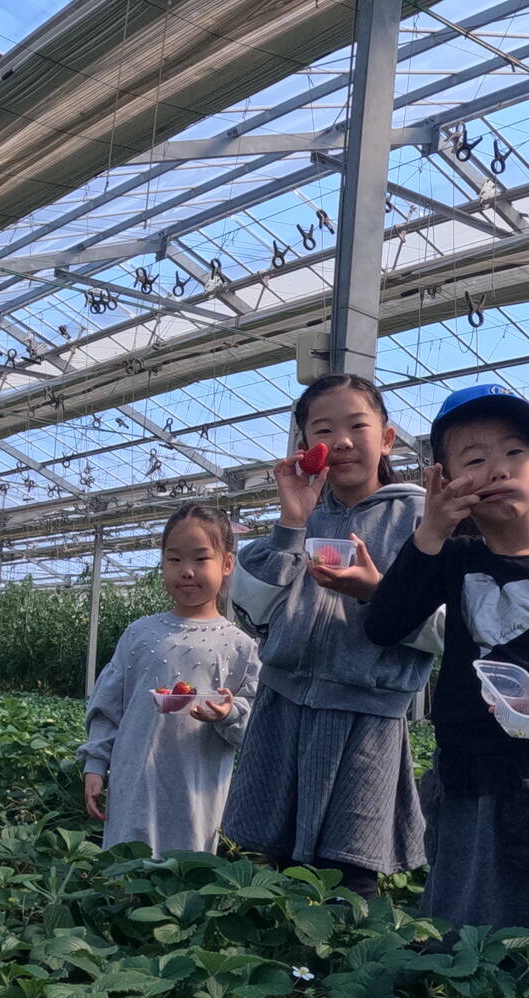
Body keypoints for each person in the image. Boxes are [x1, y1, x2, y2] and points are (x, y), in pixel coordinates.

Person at [365, 384, 529, 945]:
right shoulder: (453, 560)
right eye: (474, 459)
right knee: (468, 930)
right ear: (445, 480)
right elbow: (383, 624)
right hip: (469, 771)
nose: (498, 469)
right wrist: (430, 531)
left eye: (514, 453)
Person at [222, 373, 438, 898]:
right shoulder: (303, 515)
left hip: (366, 714)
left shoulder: (420, 518)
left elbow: (451, 627)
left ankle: (349, 951)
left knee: (350, 873)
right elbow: (254, 610)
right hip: (284, 705)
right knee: (276, 862)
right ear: (304, 445)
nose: (340, 441)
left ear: (387, 439)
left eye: (357, 426)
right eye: (323, 429)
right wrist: (291, 521)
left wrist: (379, 593)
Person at [80, 504, 260, 856]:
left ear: (227, 564)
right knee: (127, 866)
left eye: (201, 559)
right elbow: (107, 708)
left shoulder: (240, 646)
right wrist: (95, 764)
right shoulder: (139, 634)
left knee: (186, 872)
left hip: (197, 794)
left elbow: (256, 723)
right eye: (174, 559)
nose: (187, 571)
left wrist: (228, 713)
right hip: (134, 787)